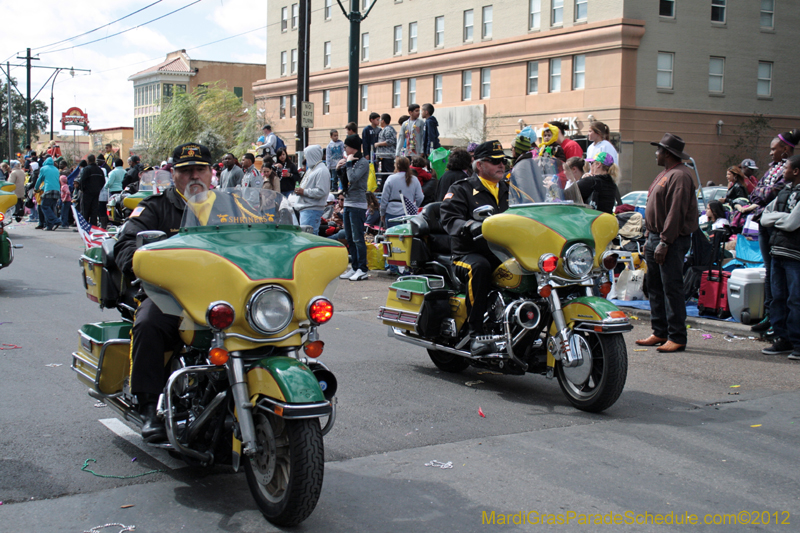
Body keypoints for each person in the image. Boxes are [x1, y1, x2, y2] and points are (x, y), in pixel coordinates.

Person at [114, 143, 224, 442]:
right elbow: (124, 246)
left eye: (200, 169)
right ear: (173, 175)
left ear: (211, 172)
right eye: (186, 171)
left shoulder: (232, 207)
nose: (194, 176)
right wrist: (143, 266)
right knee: (148, 323)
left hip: (226, 292)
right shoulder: (155, 208)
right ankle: (149, 406)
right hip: (172, 296)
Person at [440, 140, 510, 356]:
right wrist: (469, 225)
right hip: (468, 253)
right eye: (494, 161)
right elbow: (449, 218)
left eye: (503, 161)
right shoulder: (462, 189)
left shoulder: (510, 190)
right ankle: (476, 333)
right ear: (479, 165)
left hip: (504, 252)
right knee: (480, 268)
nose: (501, 165)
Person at [636, 133, 699, 353]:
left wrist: (664, 241)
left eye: (659, 150)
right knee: (654, 287)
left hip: (669, 239)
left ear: (668, 153)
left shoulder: (681, 176)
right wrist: (648, 239)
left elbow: (676, 212)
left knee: (671, 287)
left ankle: (677, 336)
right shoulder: (667, 173)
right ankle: (660, 331)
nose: (656, 153)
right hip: (655, 237)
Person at [741, 129, 799, 334]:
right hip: (764, 223)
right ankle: (770, 315)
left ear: (785, 149)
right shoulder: (773, 168)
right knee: (770, 273)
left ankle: (782, 326)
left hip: (784, 237)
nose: (770, 153)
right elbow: (757, 192)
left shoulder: (791, 169)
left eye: (774, 149)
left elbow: (773, 192)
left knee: (785, 285)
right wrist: (760, 195)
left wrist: (761, 194)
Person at [760, 154, 800, 359]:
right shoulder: (784, 192)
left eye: (786, 169)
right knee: (778, 298)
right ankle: (782, 339)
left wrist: (779, 219)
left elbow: (793, 224)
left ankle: (798, 343)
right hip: (777, 252)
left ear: (796, 171)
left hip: (795, 256)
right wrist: (782, 218)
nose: (782, 172)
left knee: (795, 300)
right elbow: (765, 217)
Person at [337, 134, 370, 281]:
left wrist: (349, 164)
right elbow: (345, 181)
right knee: (349, 237)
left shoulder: (362, 162)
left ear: (353, 147)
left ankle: (363, 268)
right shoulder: (352, 161)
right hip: (349, 202)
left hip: (358, 204)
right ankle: (355, 267)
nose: (345, 149)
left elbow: (353, 179)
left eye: (346, 146)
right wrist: (339, 169)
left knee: (358, 238)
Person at [294, 145, 330, 235]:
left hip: (312, 209)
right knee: (307, 237)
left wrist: (304, 191)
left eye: (307, 156)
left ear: (312, 155)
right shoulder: (312, 169)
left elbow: (322, 191)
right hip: (307, 208)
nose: (306, 158)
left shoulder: (322, 170)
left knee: (309, 238)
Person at [380, 156, 424, 228]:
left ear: (396, 166)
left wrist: (382, 213)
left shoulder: (391, 178)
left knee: (393, 237)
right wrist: (414, 206)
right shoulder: (414, 179)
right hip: (408, 214)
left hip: (392, 212)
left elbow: (384, 199)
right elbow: (420, 197)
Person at [34, 157, 62, 230]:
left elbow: (40, 180)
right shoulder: (56, 169)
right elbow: (51, 181)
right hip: (57, 190)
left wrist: (36, 188)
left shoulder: (43, 168)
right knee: (51, 208)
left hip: (48, 190)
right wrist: (42, 188)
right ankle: (49, 226)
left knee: (44, 206)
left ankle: (56, 220)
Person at [80, 155, 106, 227]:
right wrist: (98, 189)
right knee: (94, 210)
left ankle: (84, 226)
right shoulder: (99, 170)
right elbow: (103, 181)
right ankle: (93, 226)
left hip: (87, 193)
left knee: (85, 210)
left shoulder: (86, 169)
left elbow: (82, 180)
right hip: (96, 193)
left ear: (88, 160)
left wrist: (83, 189)